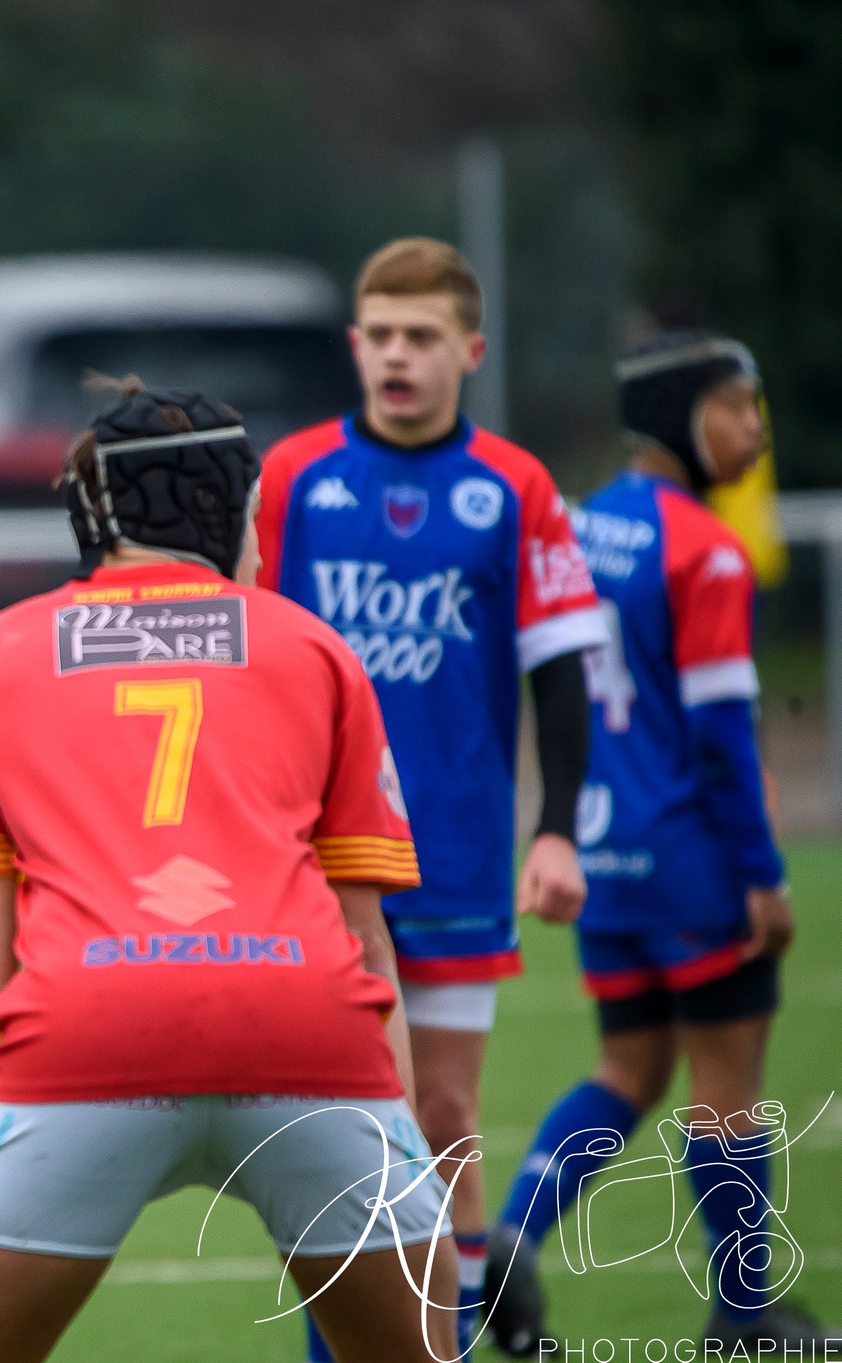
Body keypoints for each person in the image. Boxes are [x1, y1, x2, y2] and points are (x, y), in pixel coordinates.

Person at [0, 380, 457, 1363]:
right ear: (230, 507)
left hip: (84, 1038)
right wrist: (391, 1132)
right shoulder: (317, 650)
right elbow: (366, 937)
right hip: (309, 1034)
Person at [253, 237, 605, 1357]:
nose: (396, 357)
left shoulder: (513, 486)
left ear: (469, 350)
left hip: (451, 851)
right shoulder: (297, 477)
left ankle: (441, 1327)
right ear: (355, 347)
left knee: (442, 1117)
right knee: (343, 1121)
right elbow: (247, 654)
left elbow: (559, 667)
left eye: (420, 338)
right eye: (379, 338)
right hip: (313, 860)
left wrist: (554, 830)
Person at [484, 329, 840, 1353]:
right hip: (692, 860)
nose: (754, 430)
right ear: (682, 415)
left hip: (601, 855)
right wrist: (762, 875)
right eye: (737, 406)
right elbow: (722, 730)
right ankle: (741, 1309)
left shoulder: (580, 528)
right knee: (723, 1086)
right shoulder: (703, 545)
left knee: (626, 1067)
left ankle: (505, 1235)